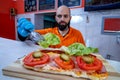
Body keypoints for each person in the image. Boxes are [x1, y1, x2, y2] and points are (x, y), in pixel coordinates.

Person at [17, 5, 85, 48]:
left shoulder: (77, 34)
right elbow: (30, 36)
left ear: (70, 18)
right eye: (59, 16)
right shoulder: (48, 32)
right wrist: (22, 35)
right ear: (55, 18)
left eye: (65, 16)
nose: (62, 19)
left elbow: (83, 54)